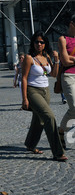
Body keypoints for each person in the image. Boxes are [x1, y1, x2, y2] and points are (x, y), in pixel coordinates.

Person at [21, 30, 67, 162]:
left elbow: (53, 74)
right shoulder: (29, 58)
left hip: (45, 91)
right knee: (49, 117)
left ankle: (30, 144)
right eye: (37, 42)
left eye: (42, 42)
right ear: (33, 43)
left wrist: (57, 60)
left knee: (39, 119)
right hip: (32, 91)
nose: (39, 44)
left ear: (45, 43)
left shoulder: (46, 57)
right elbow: (24, 78)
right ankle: (58, 152)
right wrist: (24, 98)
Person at [58, 10, 75, 149]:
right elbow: (64, 61)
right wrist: (69, 59)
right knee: (74, 107)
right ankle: (61, 131)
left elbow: (69, 59)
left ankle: (62, 132)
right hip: (68, 75)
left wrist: (72, 59)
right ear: (71, 24)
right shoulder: (63, 39)